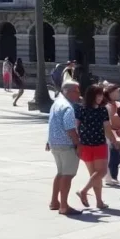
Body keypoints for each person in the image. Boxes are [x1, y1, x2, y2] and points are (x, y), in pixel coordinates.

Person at [75, 84, 120, 209]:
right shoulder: (81, 109)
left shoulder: (102, 110)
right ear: (91, 95)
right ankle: (84, 191)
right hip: (86, 145)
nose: (101, 97)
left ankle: (99, 201)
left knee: (98, 174)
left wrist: (114, 140)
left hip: (99, 144)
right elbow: (76, 126)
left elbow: (107, 128)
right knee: (98, 174)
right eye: (98, 94)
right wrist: (76, 143)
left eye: (101, 94)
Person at [47, 80, 82, 215]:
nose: (79, 94)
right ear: (67, 91)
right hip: (67, 145)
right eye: (76, 91)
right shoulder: (68, 107)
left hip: (55, 144)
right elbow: (70, 129)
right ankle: (64, 206)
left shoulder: (56, 103)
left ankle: (54, 201)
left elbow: (51, 123)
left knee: (61, 173)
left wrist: (48, 140)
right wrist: (78, 144)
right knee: (67, 175)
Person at [104, 84, 120, 185]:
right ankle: (112, 176)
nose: (118, 94)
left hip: (119, 131)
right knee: (113, 153)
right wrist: (114, 136)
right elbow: (107, 123)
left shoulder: (118, 104)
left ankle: (112, 175)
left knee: (118, 153)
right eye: (116, 91)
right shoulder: (106, 106)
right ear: (110, 93)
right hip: (110, 132)